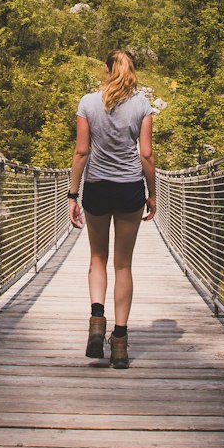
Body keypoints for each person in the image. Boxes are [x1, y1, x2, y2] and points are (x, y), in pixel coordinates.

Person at [67, 49, 156, 369]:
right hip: (130, 188)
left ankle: (96, 320)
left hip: (98, 188)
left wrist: (73, 195)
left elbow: (81, 151)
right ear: (132, 70)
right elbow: (146, 154)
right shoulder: (142, 105)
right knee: (123, 266)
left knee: (97, 258)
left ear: (106, 70)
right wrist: (153, 193)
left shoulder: (87, 103)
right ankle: (119, 342)